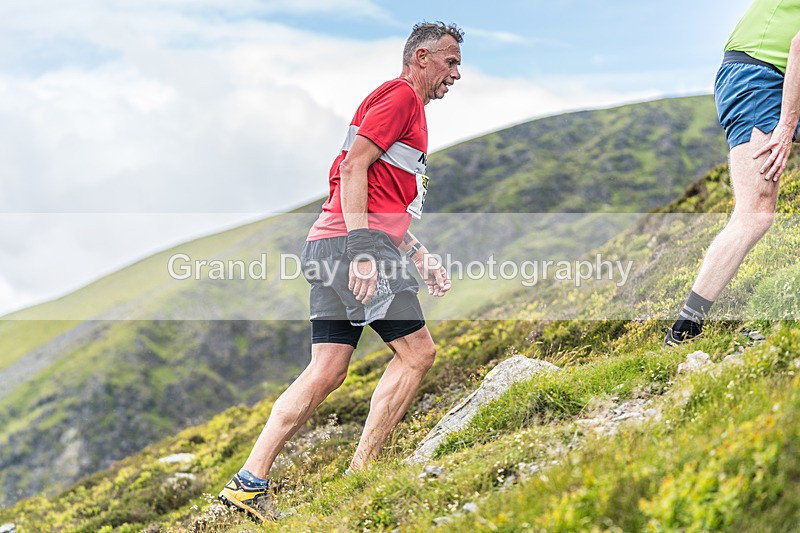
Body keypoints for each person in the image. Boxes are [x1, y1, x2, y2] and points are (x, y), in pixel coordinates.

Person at [218, 22, 462, 521]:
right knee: (417, 353)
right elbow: (353, 169)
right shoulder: (401, 98)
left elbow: (374, 191)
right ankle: (363, 470)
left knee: (326, 369)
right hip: (352, 247)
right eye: (450, 62)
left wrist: (416, 253)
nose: (456, 74)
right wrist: (365, 253)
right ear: (420, 58)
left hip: (327, 244)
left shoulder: (392, 102)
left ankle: (248, 482)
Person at [664, 0, 800, 346]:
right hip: (760, 75)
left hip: (777, 72)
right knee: (756, 212)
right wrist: (785, 127)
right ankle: (684, 330)